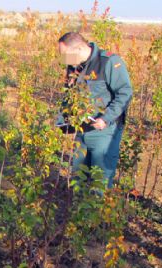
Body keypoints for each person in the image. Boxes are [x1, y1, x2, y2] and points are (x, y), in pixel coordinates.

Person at [56, 32, 133, 189]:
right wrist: (63, 121)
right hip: (81, 130)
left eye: (65, 55)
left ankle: (98, 211)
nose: (63, 60)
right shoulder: (74, 66)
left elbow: (125, 92)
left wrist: (105, 118)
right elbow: (69, 95)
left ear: (78, 49)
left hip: (104, 131)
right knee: (78, 179)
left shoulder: (109, 62)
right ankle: (78, 211)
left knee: (99, 182)